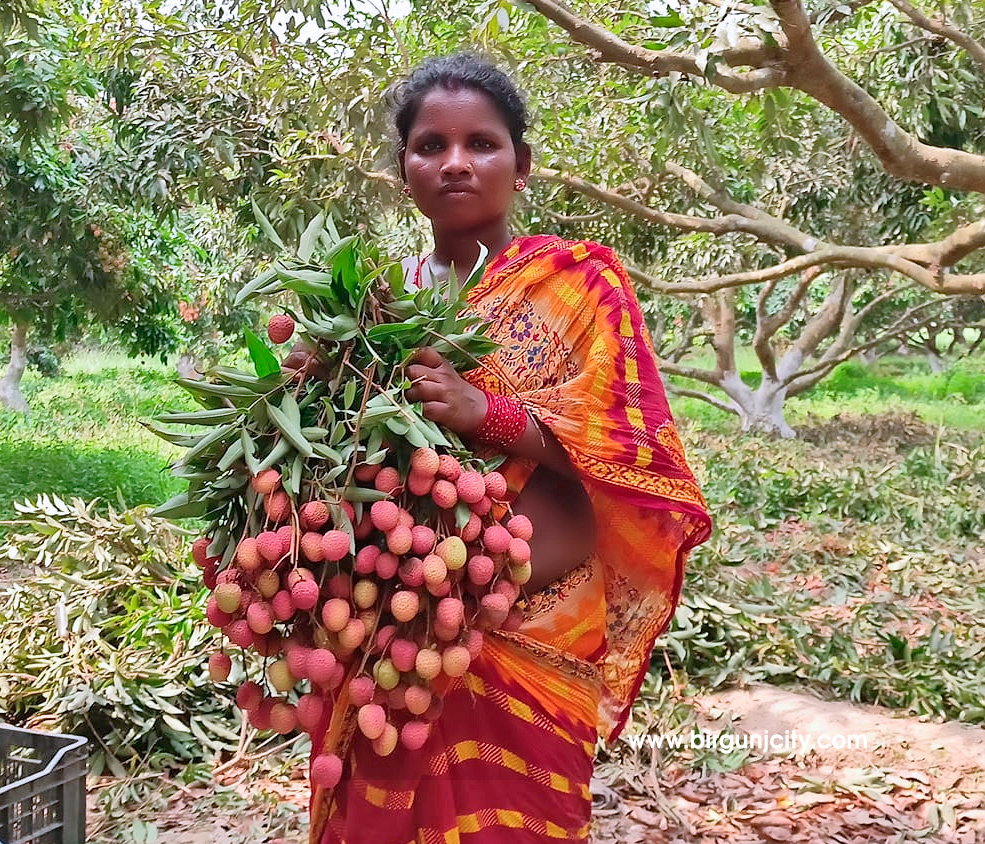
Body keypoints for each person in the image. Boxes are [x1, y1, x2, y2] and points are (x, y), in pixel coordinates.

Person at [291, 54, 713, 843]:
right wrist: (304, 394)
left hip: (534, 644)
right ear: (404, 169)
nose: (455, 162)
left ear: (521, 166)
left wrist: (488, 413)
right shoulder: (374, 304)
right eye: (430, 145)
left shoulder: (580, 285)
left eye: (482, 143)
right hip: (394, 646)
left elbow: (636, 456)